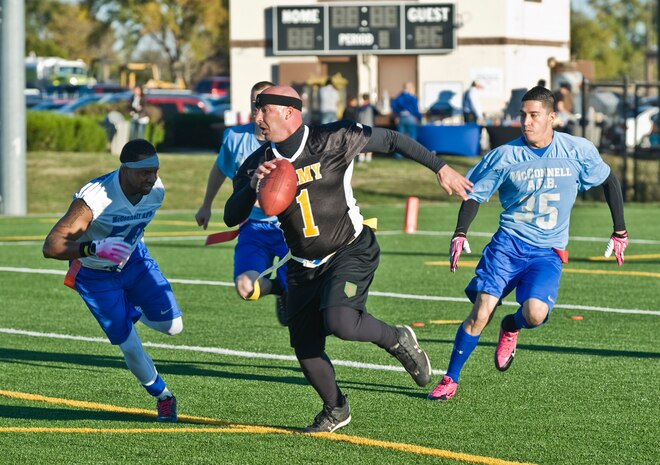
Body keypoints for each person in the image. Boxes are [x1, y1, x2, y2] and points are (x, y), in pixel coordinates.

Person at [224, 85, 473, 433]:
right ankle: (336, 409)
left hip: (349, 249)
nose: (256, 118)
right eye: (256, 110)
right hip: (301, 263)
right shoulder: (258, 162)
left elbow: (393, 141)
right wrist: (252, 185)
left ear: (288, 112)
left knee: (342, 320)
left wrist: (440, 167)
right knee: (306, 350)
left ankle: (397, 339)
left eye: (263, 110)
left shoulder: (333, 138)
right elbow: (231, 216)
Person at [427, 86, 628, 401]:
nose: (526, 121)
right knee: (481, 312)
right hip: (508, 246)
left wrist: (620, 231)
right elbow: (473, 193)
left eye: (534, 115)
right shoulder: (505, 156)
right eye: (523, 115)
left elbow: (608, 180)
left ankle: (511, 325)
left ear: (552, 117)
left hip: (547, 253)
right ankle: (450, 378)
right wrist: (460, 232)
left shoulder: (578, 149)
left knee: (534, 314)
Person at [42, 139, 182, 422]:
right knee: (128, 344)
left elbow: (134, 225)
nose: (152, 178)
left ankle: (132, 308)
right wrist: (93, 248)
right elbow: (51, 246)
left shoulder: (156, 190)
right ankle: (163, 397)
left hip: (133, 261)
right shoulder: (94, 199)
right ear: (125, 169)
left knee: (173, 327)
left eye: (155, 170)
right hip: (94, 273)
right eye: (144, 172)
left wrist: (125, 250)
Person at [195, 80, 288, 325]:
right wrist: (206, 204)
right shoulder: (235, 137)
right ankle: (280, 289)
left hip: (288, 227)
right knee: (246, 287)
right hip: (254, 228)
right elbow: (220, 168)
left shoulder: (291, 140)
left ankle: (290, 293)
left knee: (302, 298)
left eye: (264, 105)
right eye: (254, 104)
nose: (258, 111)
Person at [356, 93, 380, 162]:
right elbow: (378, 113)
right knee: (370, 142)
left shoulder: (360, 108)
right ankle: (368, 157)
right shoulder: (371, 107)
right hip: (370, 126)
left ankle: (361, 156)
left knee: (361, 142)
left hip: (361, 127)